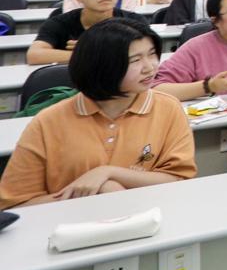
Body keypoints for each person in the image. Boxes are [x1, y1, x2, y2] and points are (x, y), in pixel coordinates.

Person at [0, 19, 195, 209]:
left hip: (149, 221)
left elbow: (180, 178)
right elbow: (16, 202)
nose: (150, 67)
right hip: (66, 228)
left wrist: (108, 174)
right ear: (101, 66)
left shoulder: (167, 107)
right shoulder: (50, 121)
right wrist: (99, 193)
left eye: (152, 54)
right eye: (135, 60)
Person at [28, 0, 151, 64]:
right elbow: (34, 55)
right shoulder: (60, 22)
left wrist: (94, 49)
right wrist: (88, 54)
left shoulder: (134, 21)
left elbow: (148, 52)